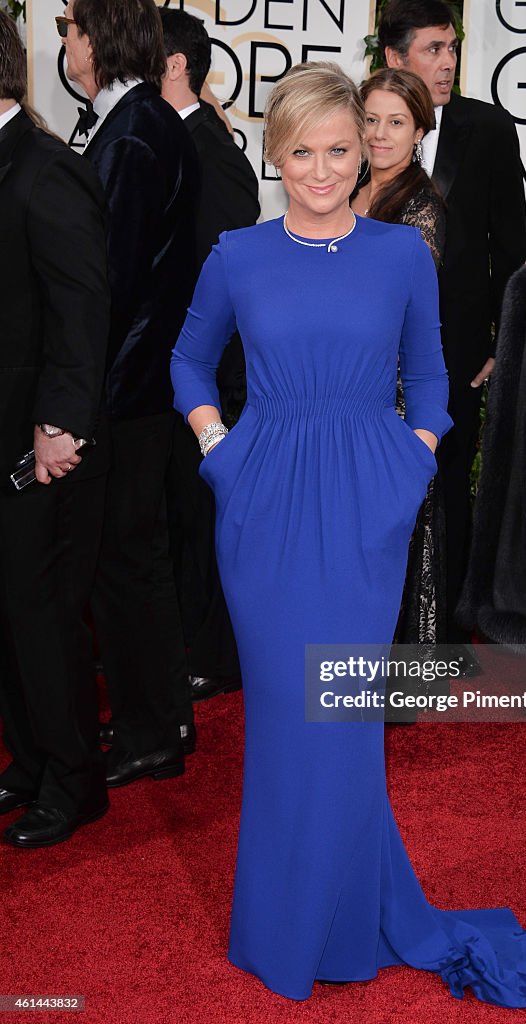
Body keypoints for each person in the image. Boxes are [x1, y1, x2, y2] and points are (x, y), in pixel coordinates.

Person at [171, 61, 526, 1004]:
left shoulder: (398, 256)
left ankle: (341, 922)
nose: (320, 169)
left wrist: (411, 460)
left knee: (340, 716)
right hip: (262, 504)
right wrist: (221, 451)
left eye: (338, 150)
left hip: (366, 507)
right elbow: (187, 362)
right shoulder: (236, 253)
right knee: (282, 715)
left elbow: (430, 380)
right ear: (274, 155)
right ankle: (293, 922)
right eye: (301, 151)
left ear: (367, 153)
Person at [59, 0, 199, 786]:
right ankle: (157, 719)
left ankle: (153, 729)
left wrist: (82, 388)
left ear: (99, 39)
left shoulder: (138, 130)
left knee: (126, 560)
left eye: (72, 29)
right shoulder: (132, 120)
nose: (66, 44)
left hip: (129, 385)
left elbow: (109, 280)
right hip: (137, 381)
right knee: (131, 558)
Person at [379, 0, 526, 646]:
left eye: (451, 48)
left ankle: (444, 632)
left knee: (446, 488)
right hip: (376, 356)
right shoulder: (369, 128)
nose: (446, 62)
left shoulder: (488, 128)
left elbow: (511, 249)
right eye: (432, 49)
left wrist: (500, 340)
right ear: (393, 57)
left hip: (458, 351)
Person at [0, 10, 110, 847]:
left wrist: (61, 426)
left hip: (35, 442)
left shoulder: (45, 172)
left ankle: (74, 782)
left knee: (40, 612)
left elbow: (82, 309)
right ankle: (31, 761)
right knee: (7, 611)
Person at [160, 6, 260, 703]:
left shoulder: (211, 148)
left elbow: (222, 269)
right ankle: (180, 645)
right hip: (168, 365)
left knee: (203, 517)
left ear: (173, 65)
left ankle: (214, 654)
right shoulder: (168, 137)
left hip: (208, 373)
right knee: (173, 514)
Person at [352, 68, 447, 646]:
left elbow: (406, 312)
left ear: (419, 132)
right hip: (348, 380)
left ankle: (396, 672)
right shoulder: (346, 184)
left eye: (396, 122)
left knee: (394, 530)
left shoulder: (422, 209)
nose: (380, 134)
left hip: (393, 396)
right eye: (370, 119)